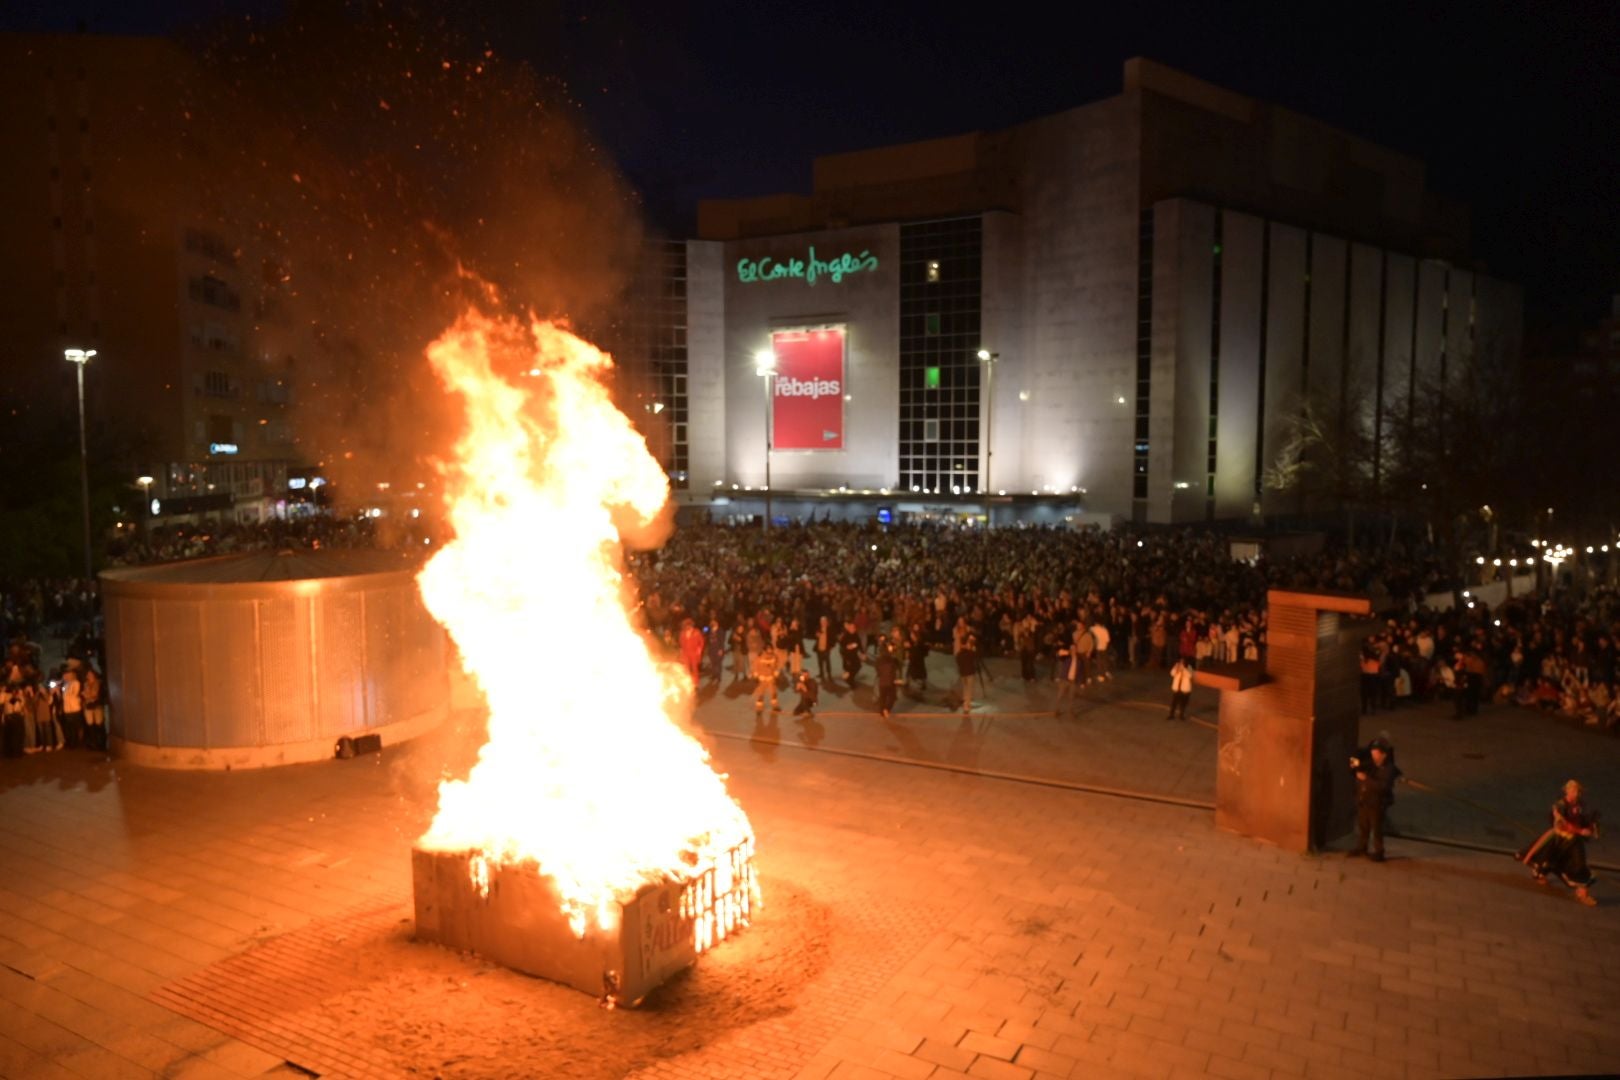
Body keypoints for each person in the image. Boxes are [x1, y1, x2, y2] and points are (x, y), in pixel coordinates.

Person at [1519, 780, 1600, 906]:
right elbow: (1561, 823)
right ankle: (1540, 873)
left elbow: (1585, 819)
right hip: (1560, 839)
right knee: (1548, 858)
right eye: (1573, 791)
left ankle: (1582, 891)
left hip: (1574, 841)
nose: (1575, 794)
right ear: (1566, 791)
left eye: (1577, 791)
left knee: (1578, 863)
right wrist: (1579, 830)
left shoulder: (1581, 805)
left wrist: (1590, 828)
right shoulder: (1560, 805)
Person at [1348, 739, 1397, 861]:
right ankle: (1362, 847)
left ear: (1383, 754)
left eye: (1376, 753)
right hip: (1364, 800)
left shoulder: (1388, 769)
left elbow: (1383, 786)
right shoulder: (1370, 763)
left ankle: (1379, 852)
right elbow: (1357, 771)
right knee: (1363, 825)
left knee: (1376, 828)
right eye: (1372, 752)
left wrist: (1366, 779)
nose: (1373, 755)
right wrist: (1355, 767)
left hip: (1377, 803)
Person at [751, 645, 781, 713]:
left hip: (771, 678)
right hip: (763, 678)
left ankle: (775, 706)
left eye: (771, 649)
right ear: (765, 650)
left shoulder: (774, 657)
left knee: (773, 693)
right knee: (761, 694)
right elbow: (755, 667)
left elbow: (776, 666)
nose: (770, 651)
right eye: (768, 649)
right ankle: (759, 708)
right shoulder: (760, 657)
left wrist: (776, 673)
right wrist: (756, 676)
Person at [956, 634, 981, 714]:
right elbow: (976, 657)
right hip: (970, 673)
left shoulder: (959, 654)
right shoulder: (970, 653)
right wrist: (972, 649)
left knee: (965, 688)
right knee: (969, 690)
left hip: (963, 673)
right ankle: (967, 704)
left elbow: (958, 662)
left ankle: (965, 702)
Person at [875, 640, 899, 719]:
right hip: (890, 681)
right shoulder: (892, 659)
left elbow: (878, 670)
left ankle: (882, 711)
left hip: (882, 681)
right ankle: (886, 709)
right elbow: (896, 668)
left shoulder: (878, 659)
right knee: (892, 697)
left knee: (883, 697)